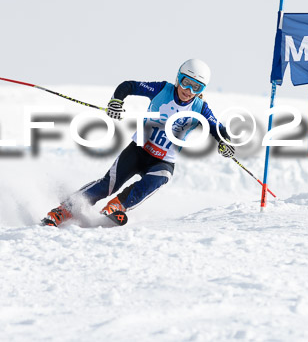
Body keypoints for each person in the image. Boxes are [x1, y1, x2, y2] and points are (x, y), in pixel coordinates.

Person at [41, 58, 235, 227]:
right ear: (178, 78)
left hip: (164, 159)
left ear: (202, 90)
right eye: (186, 83)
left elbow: (217, 128)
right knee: (108, 185)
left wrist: (224, 142)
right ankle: (63, 210)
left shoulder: (200, 108)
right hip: (139, 150)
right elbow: (129, 85)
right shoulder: (162, 89)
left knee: (160, 178)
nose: (188, 90)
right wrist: (117, 101)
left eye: (196, 87)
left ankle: (118, 206)